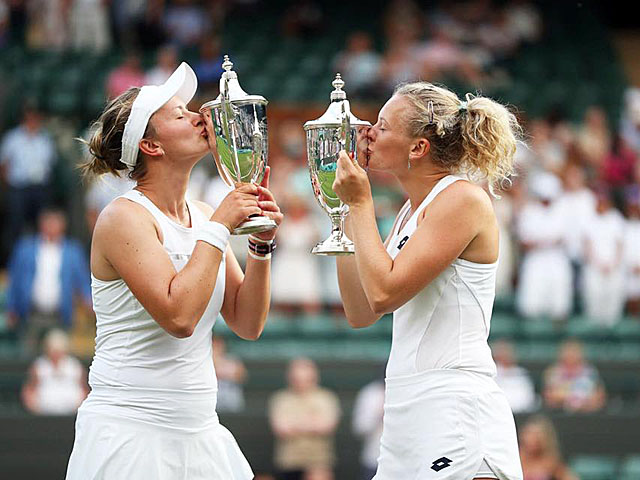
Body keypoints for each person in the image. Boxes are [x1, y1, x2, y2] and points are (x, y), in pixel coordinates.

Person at [65, 62, 283, 479]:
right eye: (180, 114)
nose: (200, 117)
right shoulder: (122, 217)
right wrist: (220, 227)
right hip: (130, 433)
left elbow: (247, 322)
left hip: (201, 431)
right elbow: (179, 317)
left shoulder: (203, 214)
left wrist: (260, 244)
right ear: (151, 145)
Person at [333, 82, 523, 479]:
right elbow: (361, 311)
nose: (368, 132)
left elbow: (383, 293)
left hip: (454, 405)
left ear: (418, 147)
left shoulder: (463, 199)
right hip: (405, 411)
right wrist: (343, 212)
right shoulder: (408, 211)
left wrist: (361, 202)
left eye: (383, 126)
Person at [6, 208, 92, 354]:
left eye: (55, 222)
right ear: (41, 224)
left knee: (58, 355)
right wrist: (11, 307)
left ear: (63, 225)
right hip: (31, 314)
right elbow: (14, 279)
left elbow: (82, 280)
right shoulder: (25, 248)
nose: (51, 226)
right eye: (48, 222)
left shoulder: (73, 251)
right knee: (28, 355)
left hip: (59, 315)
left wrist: (89, 302)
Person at [268, 357, 341, 480]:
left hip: (319, 461)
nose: (301, 383)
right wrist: (311, 423)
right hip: (288, 462)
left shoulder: (326, 398)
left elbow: (326, 426)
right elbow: (281, 428)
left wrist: (295, 424)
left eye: (306, 378)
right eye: (297, 379)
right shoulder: (281, 399)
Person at [21, 328, 88, 415]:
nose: (56, 353)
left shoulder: (75, 365)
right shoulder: (39, 365)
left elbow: (84, 389)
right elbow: (29, 390)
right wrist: (35, 409)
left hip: (73, 414)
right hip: (44, 414)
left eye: (59, 350)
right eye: (53, 350)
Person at [542, 339, 606, 413]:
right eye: (568, 351)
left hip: (588, 413)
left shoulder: (590, 371)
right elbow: (549, 398)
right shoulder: (553, 371)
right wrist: (573, 400)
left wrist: (581, 403)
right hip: (559, 412)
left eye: (574, 351)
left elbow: (599, 397)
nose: (571, 354)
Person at [518, 416, 578, 480]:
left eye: (537, 437)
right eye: (529, 435)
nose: (532, 440)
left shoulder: (550, 462)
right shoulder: (517, 459)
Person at [352, 375, 385, 480]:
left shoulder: (412, 391)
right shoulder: (371, 393)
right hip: (374, 459)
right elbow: (360, 428)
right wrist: (379, 414)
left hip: (407, 461)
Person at [492, 339, 537, 414]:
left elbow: (528, 397)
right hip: (498, 413)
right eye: (501, 352)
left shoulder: (522, 373)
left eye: (507, 352)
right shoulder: (491, 373)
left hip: (522, 414)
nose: (505, 355)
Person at [212, 335, 247, 412]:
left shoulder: (232, 359)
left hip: (229, 394)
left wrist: (223, 374)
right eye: (214, 345)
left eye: (218, 344)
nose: (216, 347)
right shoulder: (205, 361)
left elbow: (242, 377)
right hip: (213, 395)